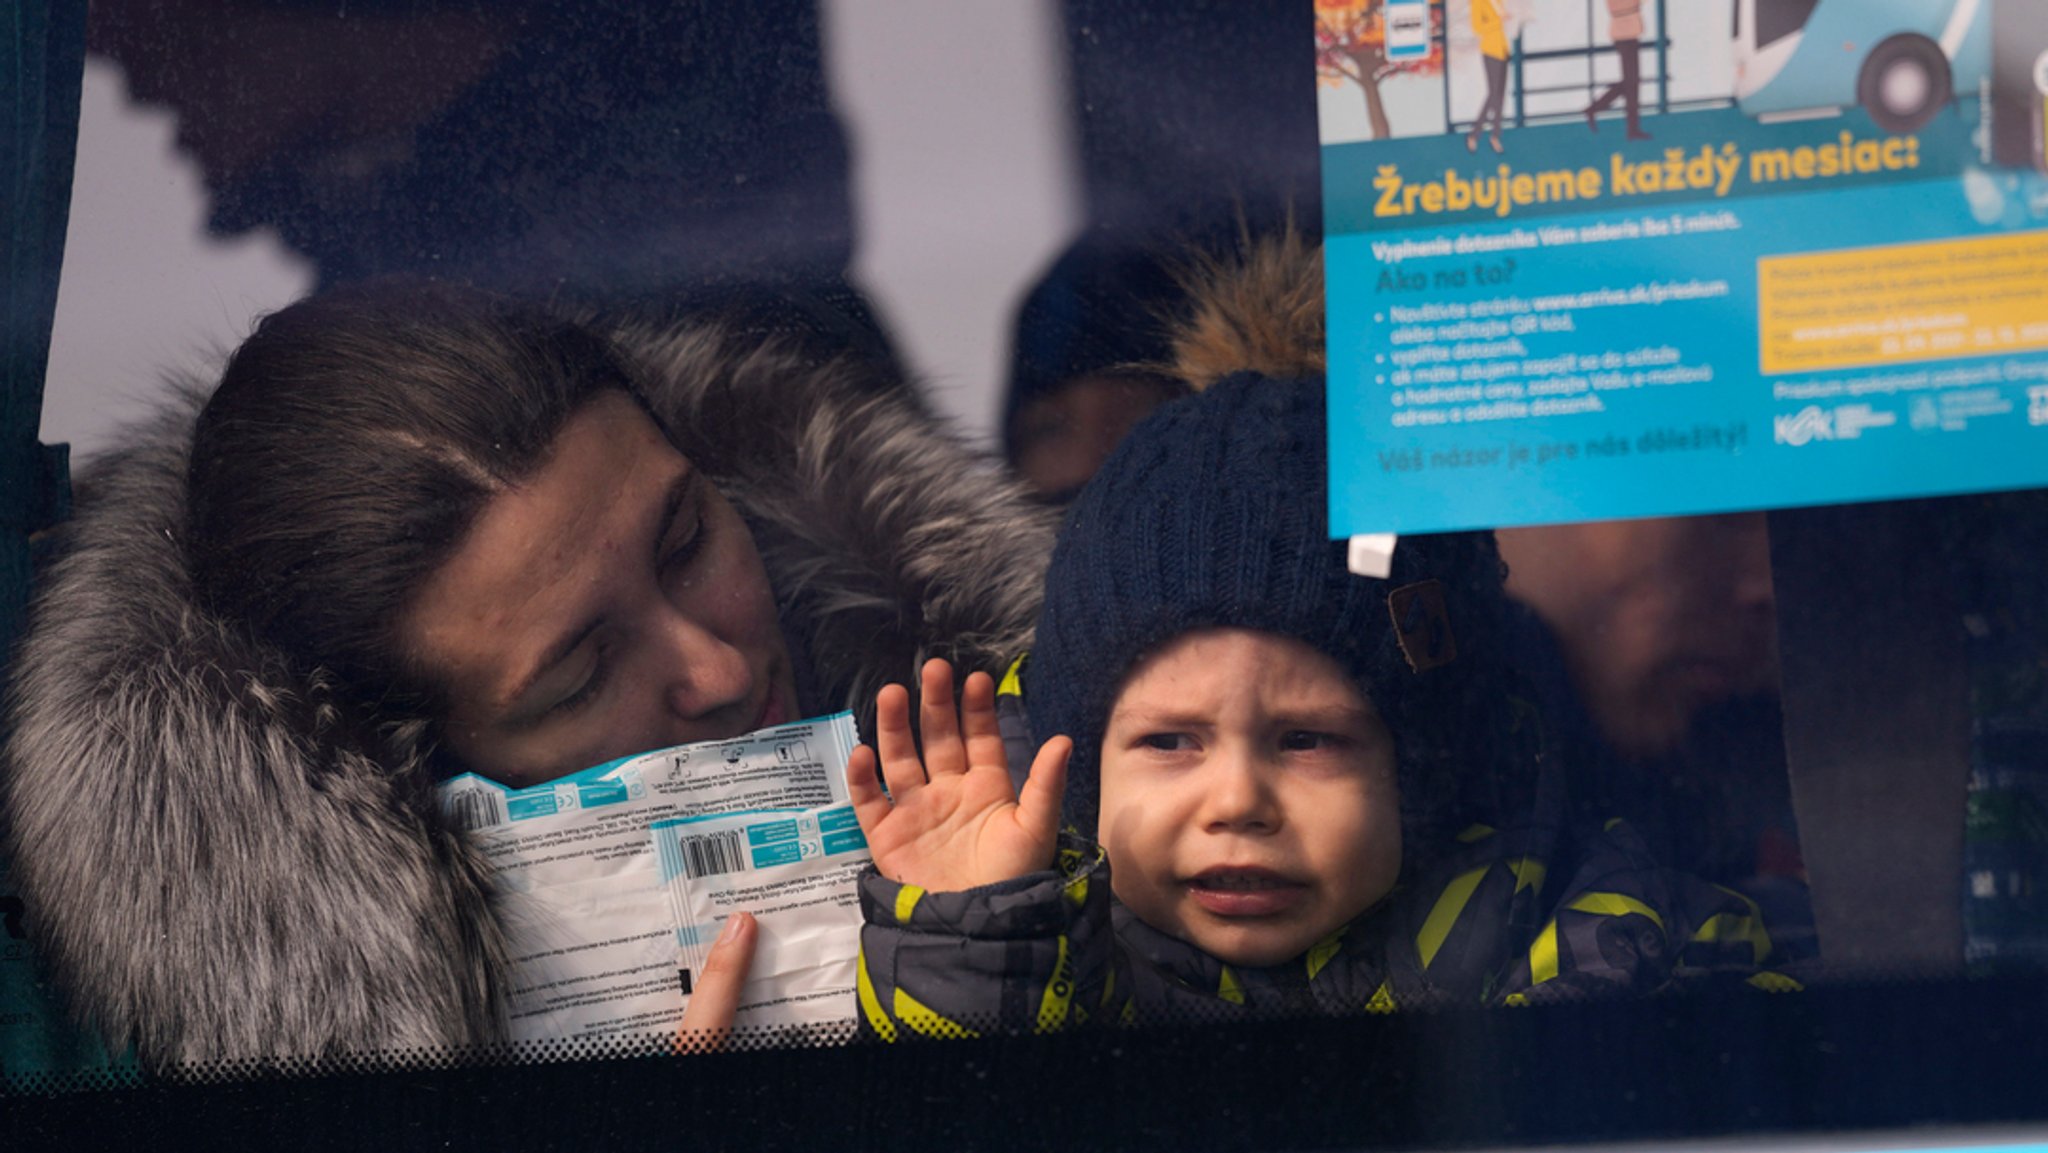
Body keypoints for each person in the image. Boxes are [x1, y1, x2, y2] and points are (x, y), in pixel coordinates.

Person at [0, 282, 1055, 1067]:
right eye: (579, 678)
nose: (719, 669)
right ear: (401, 776)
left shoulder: (1107, 749)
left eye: (686, 539)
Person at [840, 241, 1785, 1033]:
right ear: (1081, 772)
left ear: (1423, 770)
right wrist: (969, 945)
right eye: (1169, 741)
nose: (1239, 800)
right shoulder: (1056, 970)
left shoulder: (1603, 948)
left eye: (1308, 739)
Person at [1583, 0, 1651, 141]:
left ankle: (1630, 126)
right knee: (1632, 83)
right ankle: (1596, 108)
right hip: (1628, 33)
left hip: (1623, 32)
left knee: (1631, 83)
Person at [1468, 0, 1511, 154]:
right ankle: (1475, 133)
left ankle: (1495, 135)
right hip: (1490, 50)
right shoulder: (1477, 3)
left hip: (1502, 49)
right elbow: (1477, 28)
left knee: (1499, 95)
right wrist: (1497, 22)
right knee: (1493, 94)